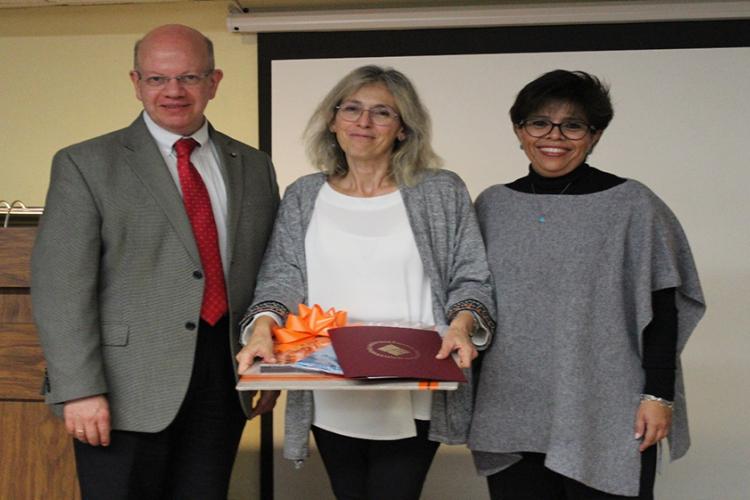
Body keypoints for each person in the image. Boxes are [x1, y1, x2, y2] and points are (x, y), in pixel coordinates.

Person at [31, 24, 280, 499]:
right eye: (156, 79)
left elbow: (269, 271)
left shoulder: (252, 164)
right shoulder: (85, 164)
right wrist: (79, 389)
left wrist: (270, 369)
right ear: (135, 81)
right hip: (122, 390)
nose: (173, 92)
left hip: (223, 380)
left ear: (214, 81)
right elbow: (60, 286)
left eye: (188, 77)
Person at [236, 65, 495, 500]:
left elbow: (471, 276)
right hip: (329, 387)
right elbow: (281, 277)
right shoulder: (304, 195)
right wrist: (263, 327)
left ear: (402, 129)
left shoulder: (441, 192)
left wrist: (462, 325)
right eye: (351, 109)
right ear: (333, 120)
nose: (363, 122)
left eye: (382, 113)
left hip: (414, 385)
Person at [468, 69, 706, 499]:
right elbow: (468, 297)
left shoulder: (632, 204)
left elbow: (664, 308)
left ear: (594, 135)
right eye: (538, 122)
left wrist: (659, 396)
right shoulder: (492, 206)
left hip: (607, 406)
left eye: (573, 125)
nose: (553, 135)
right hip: (512, 405)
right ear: (519, 130)